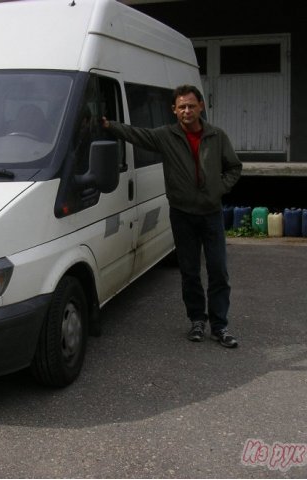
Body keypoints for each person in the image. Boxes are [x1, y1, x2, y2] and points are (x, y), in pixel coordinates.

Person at [102, 84, 242, 348]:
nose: (187, 110)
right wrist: (108, 126)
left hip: (211, 214)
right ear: (174, 110)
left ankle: (220, 326)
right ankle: (197, 321)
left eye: (191, 105)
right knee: (189, 272)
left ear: (201, 106)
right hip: (182, 214)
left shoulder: (216, 136)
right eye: (182, 107)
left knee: (218, 271)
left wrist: (219, 188)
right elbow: (136, 134)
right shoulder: (166, 136)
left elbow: (234, 166)